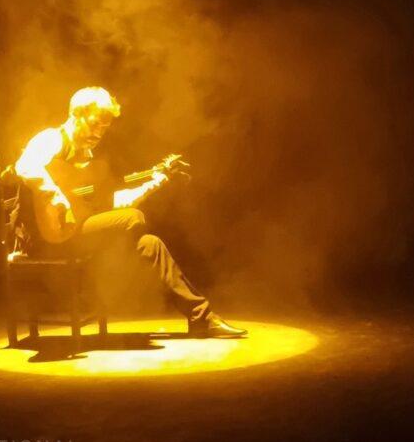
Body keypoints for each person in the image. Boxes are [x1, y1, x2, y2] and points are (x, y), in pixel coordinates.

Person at [13, 86, 246, 338]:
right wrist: (55, 195)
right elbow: (25, 166)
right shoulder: (52, 139)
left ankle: (201, 316)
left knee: (149, 243)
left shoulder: (88, 157)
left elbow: (114, 204)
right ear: (77, 115)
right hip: (46, 237)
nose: (99, 132)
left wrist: (157, 182)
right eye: (94, 124)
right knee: (133, 219)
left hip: (78, 232)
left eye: (104, 127)